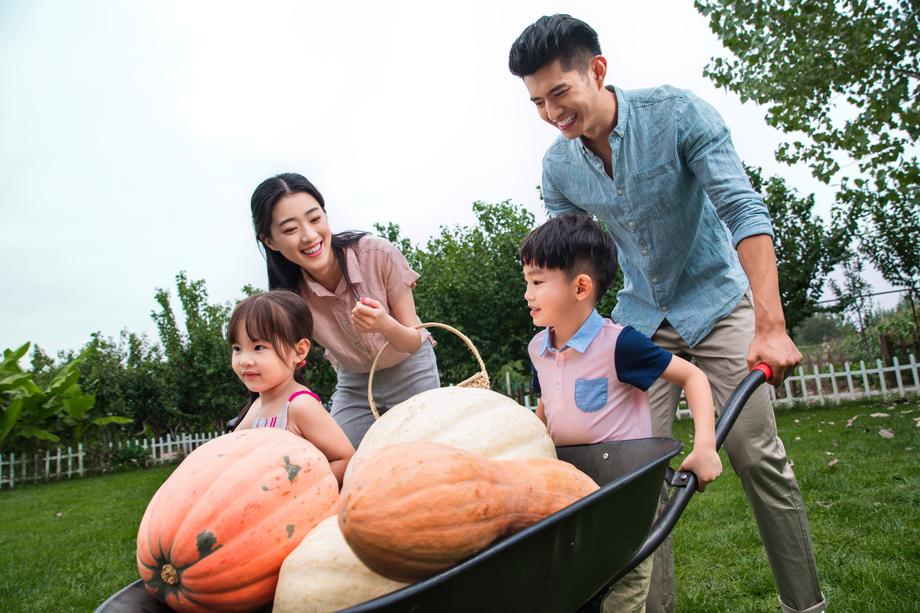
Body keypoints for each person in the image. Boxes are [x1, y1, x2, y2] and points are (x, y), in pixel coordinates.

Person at [508, 14, 825, 613]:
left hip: (717, 302)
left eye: (559, 93)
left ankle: (805, 607)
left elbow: (743, 209)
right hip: (641, 316)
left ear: (597, 70)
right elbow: (568, 260)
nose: (551, 112)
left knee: (757, 456)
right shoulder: (559, 167)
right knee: (634, 481)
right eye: (538, 102)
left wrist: (771, 324)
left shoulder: (677, 114)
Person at [521, 214, 722, 612]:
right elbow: (547, 406)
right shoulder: (537, 349)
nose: (528, 293)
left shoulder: (619, 345)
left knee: (624, 588)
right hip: (568, 489)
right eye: (527, 281)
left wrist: (706, 447)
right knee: (575, 587)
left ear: (581, 287)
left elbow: (693, 377)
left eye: (538, 282)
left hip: (623, 493)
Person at [249, 173, 440, 449]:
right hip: (354, 384)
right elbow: (278, 369)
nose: (309, 236)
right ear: (270, 241)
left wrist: (384, 324)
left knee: (425, 455)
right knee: (339, 457)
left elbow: (412, 342)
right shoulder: (288, 299)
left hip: (411, 369)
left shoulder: (378, 254)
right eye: (290, 229)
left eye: (315, 219)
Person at [229, 290, 355, 487]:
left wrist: (301, 492)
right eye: (237, 348)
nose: (245, 360)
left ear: (299, 351)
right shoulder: (257, 405)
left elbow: (346, 459)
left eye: (258, 347)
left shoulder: (300, 405)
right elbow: (231, 457)